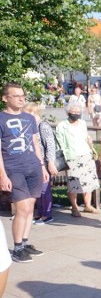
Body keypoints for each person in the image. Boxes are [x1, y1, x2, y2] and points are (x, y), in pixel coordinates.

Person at [0, 84, 49, 263]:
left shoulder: (28, 118)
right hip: (13, 169)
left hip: (33, 167)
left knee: (30, 208)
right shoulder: (1, 118)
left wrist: (42, 166)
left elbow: (35, 143)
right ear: (5, 98)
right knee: (22, 209)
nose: (21, 99)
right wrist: (2, 175)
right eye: (16, 96)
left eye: (22, 95)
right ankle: (17, 248)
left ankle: (25, 242)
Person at [54, 103, 100, 217]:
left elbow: (85, 136)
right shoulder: (62, 125)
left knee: (88, 181)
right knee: (73, 183)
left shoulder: (82, 123)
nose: (75, 113)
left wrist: (89, 142)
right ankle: (74, 207)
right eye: (73, 111)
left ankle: (87, 205)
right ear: (68, 112)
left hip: (86, 154)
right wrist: (64, 156)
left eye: (78, 112)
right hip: (72, 156)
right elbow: (59, 143)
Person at [26, 104, 58, 224]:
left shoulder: (43, 125)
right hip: (33, 162)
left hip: (44, 162)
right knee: (37, 190)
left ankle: (47, 214)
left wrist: (50, 162)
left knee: (44, 189)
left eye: (29, 113)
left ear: (35, 113)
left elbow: (50, 145)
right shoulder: (29, 127)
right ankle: (40, 213)